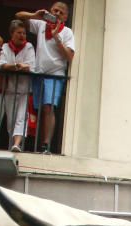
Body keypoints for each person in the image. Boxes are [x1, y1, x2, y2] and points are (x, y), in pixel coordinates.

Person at [17, 3, 76, 154]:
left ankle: (46, 145)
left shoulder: (67, 32)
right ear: (50, 11)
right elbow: (18, 17)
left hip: (54, 75)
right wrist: (34, 15)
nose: (57, 13)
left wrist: (57, 37)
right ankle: (33, 142)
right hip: (38, 73)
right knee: (39, 109)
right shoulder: (41, 25)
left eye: (61, 12)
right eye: (55, 10)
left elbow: (69, 57)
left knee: (49, 107)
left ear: (65, 17)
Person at [0, 20, 35, 153]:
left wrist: (20, 66)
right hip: (9, 89)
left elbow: (32, 66)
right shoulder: (5, 47)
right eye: (19, 33)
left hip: (24, 90)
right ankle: (12, 145)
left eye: (24, 33)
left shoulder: (29, 47)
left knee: (21, 117)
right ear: (12, 34)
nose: (22, 36)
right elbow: (2, 64)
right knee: (11, 120)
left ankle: (17, 144)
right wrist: (16, 66)